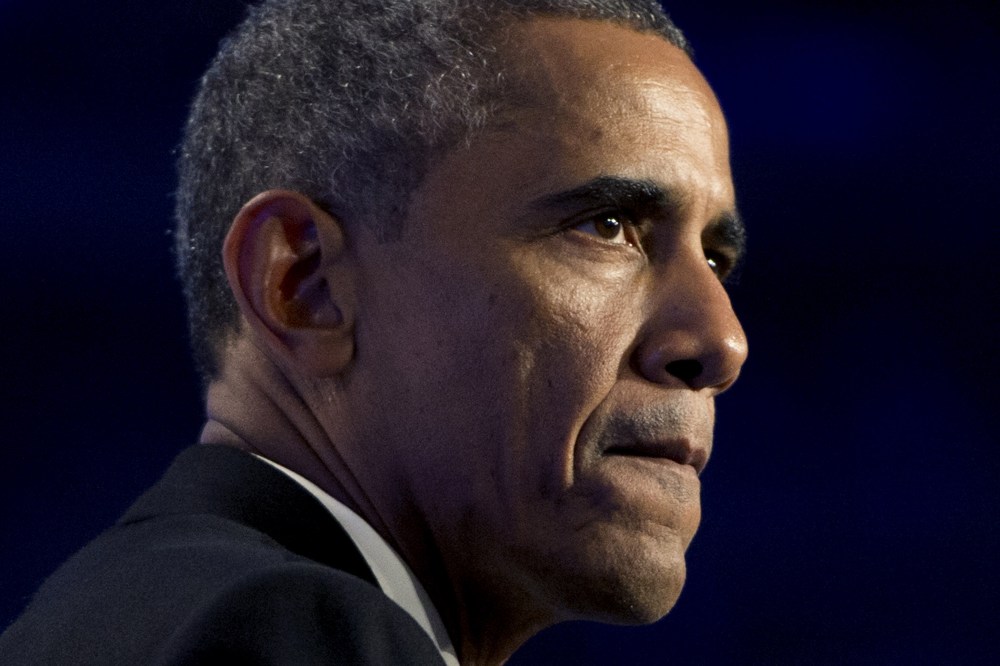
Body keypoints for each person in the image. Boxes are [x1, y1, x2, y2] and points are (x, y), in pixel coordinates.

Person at [0, 0, 748, 663]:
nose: (721, 342)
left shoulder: (142, 609)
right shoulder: (288, 630)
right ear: (304, 285)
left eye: (716, 258)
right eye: (607, 226)